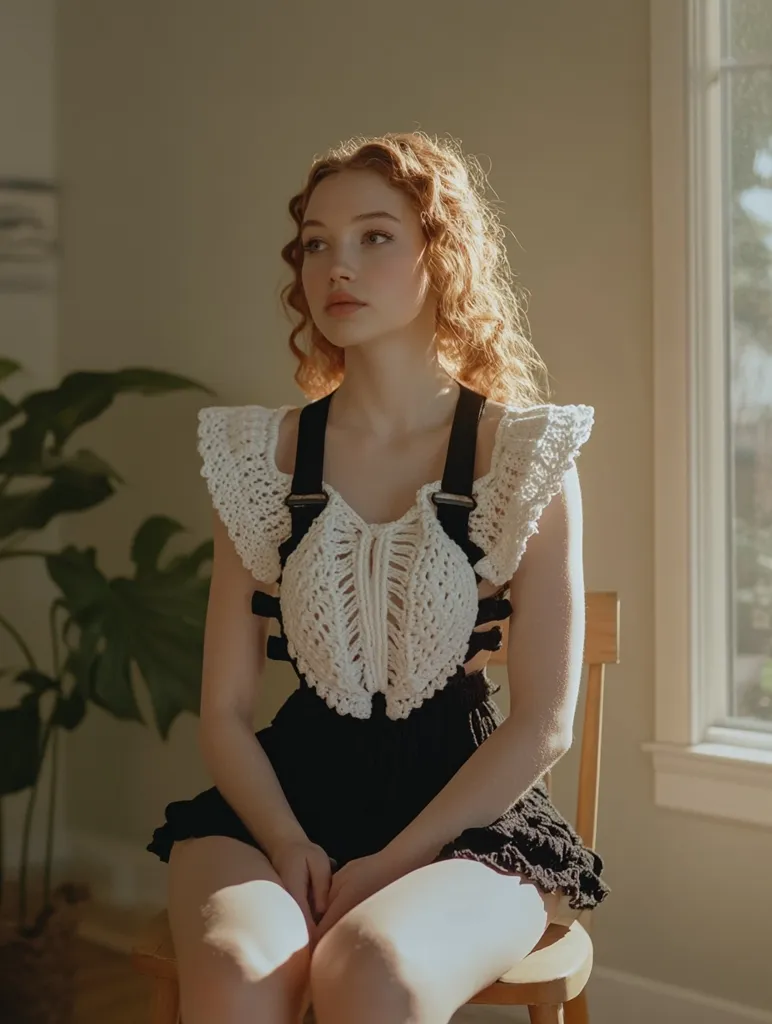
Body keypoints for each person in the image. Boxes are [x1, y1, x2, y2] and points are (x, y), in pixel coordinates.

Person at [147, 131, 609, 1024]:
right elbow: (224, 714)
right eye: (317, 242)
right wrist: (285, 843)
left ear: (442, 255)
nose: (337, 266)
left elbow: (543, 725)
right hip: (283, 795)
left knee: (372, 970)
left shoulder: (524, 453)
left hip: (469, 816)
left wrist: (394, 861)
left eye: (374, 236)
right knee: (240, 970)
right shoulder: (261, 455)